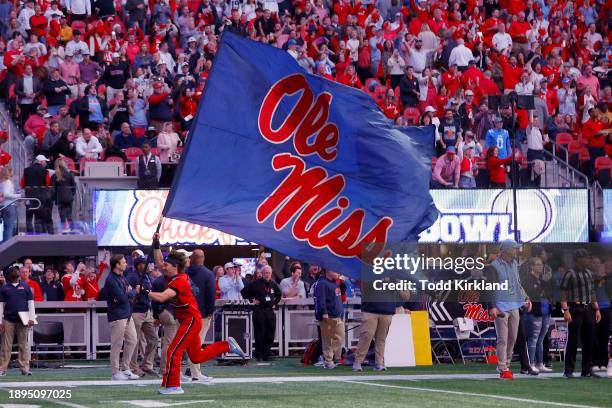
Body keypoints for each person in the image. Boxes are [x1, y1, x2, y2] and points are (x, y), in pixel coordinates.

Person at [148, 234, 245, 395]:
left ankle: (173, 386)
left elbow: (163, 296)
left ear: (174, 267)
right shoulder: (170, 274)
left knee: (174, 351)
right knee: (196, 357)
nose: (162, 266)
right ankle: (227, 345)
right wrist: (156, 244)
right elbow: (158, 261)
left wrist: (145, 292)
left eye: (167, 264)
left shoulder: (179, 280)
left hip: (191, 320)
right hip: (187, 319)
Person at [488, 239, 532, 380]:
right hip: (501, 306)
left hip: (514, 304)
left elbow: (517, 284)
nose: (517, 251)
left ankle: (506, 364)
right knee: (503, 339)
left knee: (512, 338)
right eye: (514, 248)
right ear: (507, 249)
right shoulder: (494, 266)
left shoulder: (514, 264)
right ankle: (502, 367)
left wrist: (526, 298)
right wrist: (492, 306)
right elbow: (489, 289)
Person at [561, 249, 601, 379]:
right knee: (573, 339)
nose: (588, 260)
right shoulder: (570, 274)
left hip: (588, 308)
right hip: (575, 308)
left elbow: (592, 292)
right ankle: (568, 370)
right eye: (586, 258)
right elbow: (563, 293)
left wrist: (597, 309)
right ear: (578, 259)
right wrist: (565, 310)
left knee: (589, 339)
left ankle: (587, 369)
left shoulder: (589, 273)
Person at [104, 254, 140, 381]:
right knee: (117, 344)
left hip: (126, 314)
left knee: (133, 340)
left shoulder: (122, 278)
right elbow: (123, 298)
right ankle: (115, 371)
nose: (126, 264)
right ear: (117, 265)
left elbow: (126, 294)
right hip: (117, 315)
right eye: (124, 262)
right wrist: (133, 292)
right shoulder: (111, 280)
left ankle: (125, 368)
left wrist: (129, 292)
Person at [185, 249, 216, 382]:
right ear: (203, 258)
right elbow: (211, 294)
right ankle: (195, 373)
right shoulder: (208, 274)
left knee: (187, 343)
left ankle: (189, 370)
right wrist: (210, 311)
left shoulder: (184, 273)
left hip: (185, 312)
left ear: (191, 258)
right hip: (201, 313)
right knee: (197, 343)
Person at [519, 256, 553, 374]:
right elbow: (530, 295)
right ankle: (531, 364)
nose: (540, 266)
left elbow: (549, 293)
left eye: (541, 264)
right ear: (531, 266)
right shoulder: (527, 279)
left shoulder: (542, 280)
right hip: (533, 312)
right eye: (537, 264)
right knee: (533, 339)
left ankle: (540, 363)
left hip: (545, 311)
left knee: (541, 339)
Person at [0, 266, 35, 376]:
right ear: (10, 275)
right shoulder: (4, 288)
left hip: (23, 320)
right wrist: (0, 321)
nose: (16, 272)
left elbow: (31, 303)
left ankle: (25, 369)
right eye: (14, 271)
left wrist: (32, 318)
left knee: (23, 345)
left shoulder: (25, 286)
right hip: (8, 320)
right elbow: (0, 305)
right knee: (6, 345)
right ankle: (2, 369)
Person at [126, 256, 158, 378]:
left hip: (147, 311)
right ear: (139, 265)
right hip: (136, 311)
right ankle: (133, 367)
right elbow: (128, 292)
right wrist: (135, 291)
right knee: (135, 340)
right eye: (145, 263)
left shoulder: (148, 276)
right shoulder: (132, 277)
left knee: (153, 339)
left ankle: (147, 365)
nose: (148, 265)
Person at [241, 265, 281, 361]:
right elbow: (243, 292)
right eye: (265, 273)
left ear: (271, 274)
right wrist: (251, 300)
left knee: (270, 332)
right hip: (259, 311)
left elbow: (279, 294)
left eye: (269, 273)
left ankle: (267, 353)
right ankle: (259, 353)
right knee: (260, 333)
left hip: (270, 311)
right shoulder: (255, 283)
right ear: (262, 273)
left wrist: (274, 303)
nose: (267, 275)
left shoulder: (273, 284)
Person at [313, 269, 345, 369]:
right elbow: (320, 299)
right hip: (328, 316)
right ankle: (328, 360)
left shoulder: (335, 283)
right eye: (335, 270)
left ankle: (331, 357)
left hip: (337, 315)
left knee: (340, 337)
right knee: (328, 340)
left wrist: (342, 283)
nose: (338, 272)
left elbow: (342, 293)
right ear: (328, 271)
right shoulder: (322, 283)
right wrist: (324, 312)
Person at [20, 155, 53, 234]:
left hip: (28, 198)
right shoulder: (45, 171)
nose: (46, 163)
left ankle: (30, 236)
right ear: (41, 162)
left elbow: (22, 184)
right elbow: (48, 184)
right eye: (45, 161)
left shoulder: (26, 170)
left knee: (29, 219)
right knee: (38, 219)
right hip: (40, 198)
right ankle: (38, 237)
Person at [591, 255, 611, 373]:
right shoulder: (589, 277)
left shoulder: (607, 278)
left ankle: (603, 362)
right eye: (594, 262)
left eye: (598, 262)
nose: (596, 264)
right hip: (594, 309)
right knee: (594, 337)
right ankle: (594, 362)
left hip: (606, 308)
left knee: (604, 336)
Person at [51, 158, 76, 230]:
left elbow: (53, 189)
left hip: (60, 199)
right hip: (69, 198)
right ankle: (72, 230)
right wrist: (72, 194)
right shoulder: (69, 174)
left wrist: (54, 199)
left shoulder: (54, 176)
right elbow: (74, 186)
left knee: (62, 217)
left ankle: (64, 230)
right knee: (69, 216)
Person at [0, 166, 19, 241]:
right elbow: (6, 194)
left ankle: (5, 245)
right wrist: (19, 196)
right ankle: (7, 246)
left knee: (7, 227)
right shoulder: (7, 182)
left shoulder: (2, 182)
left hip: (4, 205)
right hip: (9, 206)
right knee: (10, 227)